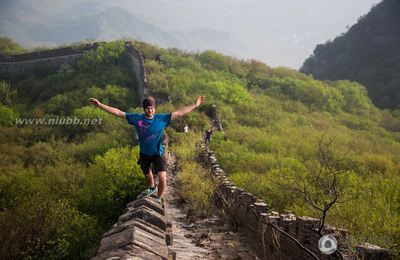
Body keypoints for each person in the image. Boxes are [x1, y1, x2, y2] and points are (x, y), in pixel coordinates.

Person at [88, 96, 204, 202]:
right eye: (148, 108)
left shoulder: (162, 119)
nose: (150, 110)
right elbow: (118, 112)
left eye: (152, 108)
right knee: (148, 174)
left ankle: (158, 198)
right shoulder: (137, 119)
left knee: (163, 179)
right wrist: (100, 105)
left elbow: (179, 113)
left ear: (155, 108)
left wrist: (195, 105)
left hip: (158, 153)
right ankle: (152, 187)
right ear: (144, 109)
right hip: (144, 154)